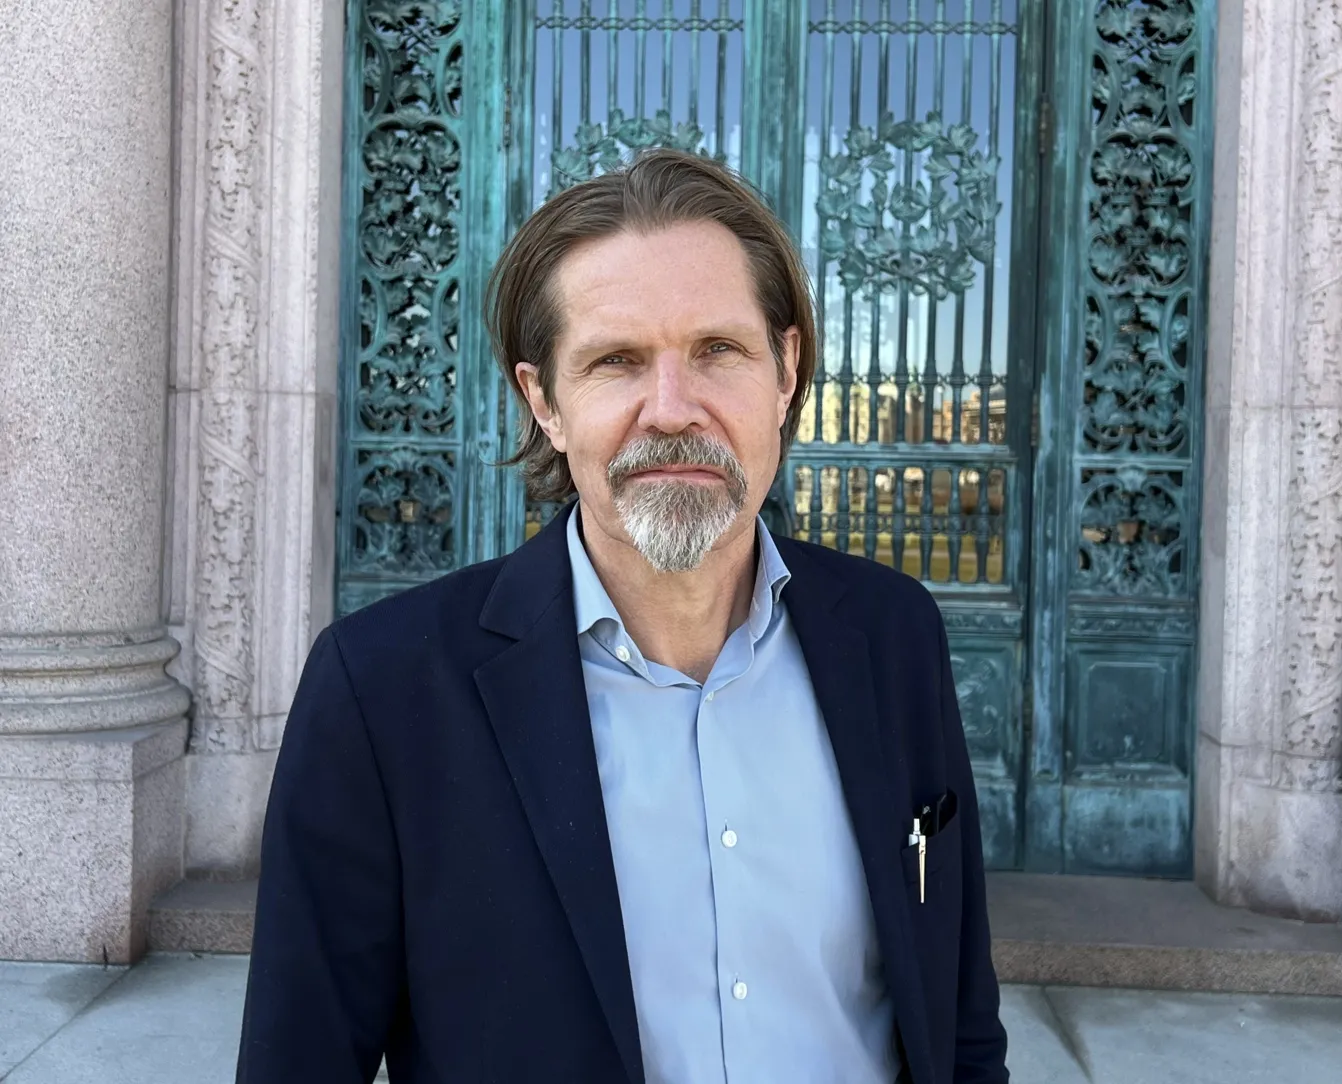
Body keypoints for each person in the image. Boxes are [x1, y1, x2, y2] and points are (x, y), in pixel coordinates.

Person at [237, 148, 1008, 1084]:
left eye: (718, 351)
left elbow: (959, 1021)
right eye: (616, 361)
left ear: (786, 373)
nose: (673, 410)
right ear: (544, 402)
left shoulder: (895, 638)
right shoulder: (383, 692)